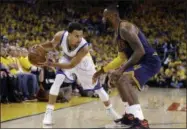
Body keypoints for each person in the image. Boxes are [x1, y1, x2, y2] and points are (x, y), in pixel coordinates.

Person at [34, 22, 121, 126]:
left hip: (84, 63)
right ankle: (49, 112)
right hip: (67, 58)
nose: (79, 38)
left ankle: (110, 110)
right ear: (68, 34)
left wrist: (52, 64)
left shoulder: (84, 47)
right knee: (58, 79)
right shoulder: (60, 36)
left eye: (81, 36)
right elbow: (52, 44)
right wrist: (40, 46)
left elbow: (71, 65)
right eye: (76, 36)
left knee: (98, 88)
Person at [92, 6, 161, 128]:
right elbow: (121, 58)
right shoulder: (117, 33)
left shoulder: (125, 28)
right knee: (118, 79)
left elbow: (140, 51)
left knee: (123, 78)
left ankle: (141, 122)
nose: (103, 20)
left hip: (150, 61)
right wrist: (101, 71)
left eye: (105, 17)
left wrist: (121, 70)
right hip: (140, 61)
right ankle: (130, 116)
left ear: (113, 16)